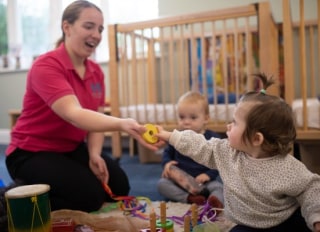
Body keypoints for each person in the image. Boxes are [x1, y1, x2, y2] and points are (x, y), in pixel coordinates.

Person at [5, 0, 159, 213]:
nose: (96, 34)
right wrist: (122, 124)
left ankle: (49, 186)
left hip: (70, 148)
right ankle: (14, 200)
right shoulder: (46, 65)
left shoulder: (96, 71)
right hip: (31, 152)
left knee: (118, 184)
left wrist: (94, 154)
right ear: (67, 27)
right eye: (89, 26)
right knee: (89, 198)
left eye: (100, 29)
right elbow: (74, 114)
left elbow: (95, 118)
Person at [155, 73, 320, 232]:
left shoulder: (288, 167)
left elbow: (311, 188)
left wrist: (316, 217)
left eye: (234, 122)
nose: (228, 125)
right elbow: (200, 146)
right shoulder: (227, 152)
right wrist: (169, 135)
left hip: (285, 220)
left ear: (256, 139)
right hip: (248, 225)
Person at [157, 91, 224, 208]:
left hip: (204, 182)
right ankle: (189, 199)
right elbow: (167, 152)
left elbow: (219, 161)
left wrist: (208, 175)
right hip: (181, 182)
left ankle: (214, 204)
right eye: (182, 117)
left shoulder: (212, 139)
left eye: (193, 118)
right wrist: (166, 163)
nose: (186, 122)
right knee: (162, 184)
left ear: (206, 118)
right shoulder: (177, 138)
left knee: (219, 187)